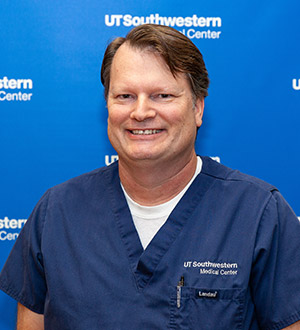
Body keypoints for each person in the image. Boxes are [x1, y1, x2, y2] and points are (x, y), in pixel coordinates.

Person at [1, 24, 300, 330]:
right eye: (125, 96)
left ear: (198, 108)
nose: (141, 111)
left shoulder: (258, 215)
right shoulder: (56, 213)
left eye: (163, 95)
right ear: (107, 104)